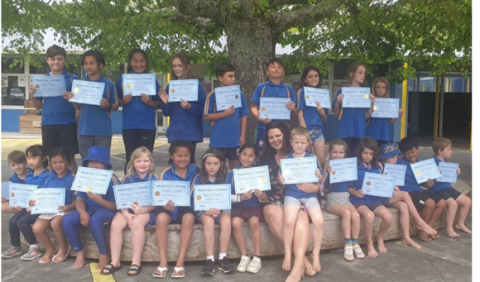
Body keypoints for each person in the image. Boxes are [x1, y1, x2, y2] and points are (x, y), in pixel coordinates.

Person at [258, 121, 317, 282]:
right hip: (275, 200)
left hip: (299, 196)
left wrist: (316, 188)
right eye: (271, 137)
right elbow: (261, 185)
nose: (275, 139)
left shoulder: (299, 151)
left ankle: (297, 266)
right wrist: (260, 194)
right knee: (270, 211)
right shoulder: (264, 157)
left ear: (285, 136)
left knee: (302, 216)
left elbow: (318, 181)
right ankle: (302, 260)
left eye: (278, 135)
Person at [102, 147, 158, 276]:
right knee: (116, 224)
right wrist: (126, 214)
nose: (142, 164)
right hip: (129, 209)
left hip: (147, 210)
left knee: (136, 223)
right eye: (139, 161)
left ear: (151, 162)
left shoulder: (155, 178)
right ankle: (115, 261)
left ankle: (136, 261)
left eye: (146, 161)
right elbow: (122, 199)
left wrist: (143, 209)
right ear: (133, 163)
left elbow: (157, 202)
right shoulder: (128, 178)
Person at [62, 146, 119, 269]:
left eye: (98, 162)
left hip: (107, 209)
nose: (94, 165)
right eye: (91, 162)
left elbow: (116, 205)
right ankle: (79, 251)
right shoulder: (86, 177)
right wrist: (82, 212)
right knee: (67, 220)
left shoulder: (112, 179)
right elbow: (80, 199)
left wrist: (100, 200)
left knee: (95, 221)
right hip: (89, 208)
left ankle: (104, 253)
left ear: (105, 164)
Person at [278, 126, 324, 272]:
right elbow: (282, 179)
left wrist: (318, 175)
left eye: (302, 143)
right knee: (289, 220)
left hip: (309, 195)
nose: (299, 145)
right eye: (296, 142)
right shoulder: (286, 160)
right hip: (292, 194)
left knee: (319, 221)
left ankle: (315, 253)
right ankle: (287, 253)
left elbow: (321, 178)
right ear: (291, 142)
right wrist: (281, 179)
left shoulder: (312, 159)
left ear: (308, 144)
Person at [28, 44, 79, 172]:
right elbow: (37, 106)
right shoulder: (41, 80)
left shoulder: (73, 79)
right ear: (47, 60)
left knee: (70, 157)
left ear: (65, 60)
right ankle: (52, 187)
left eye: (59, 58)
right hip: (48, 123)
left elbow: (80, 106)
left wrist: (73, 98)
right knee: (51, 158)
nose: (56, 62)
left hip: (68, 123)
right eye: (53, 59)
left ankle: (74, 188)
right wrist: (32, 95)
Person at [378, 143, 438, 249]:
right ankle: (421, 223)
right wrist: (393, 187)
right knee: (405, 195)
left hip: (392, 196)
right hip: (382, 197)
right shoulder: (379, 167)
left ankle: (406, 237)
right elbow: (378, 185)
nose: (395, 159)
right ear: (383, 158)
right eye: (392, 157)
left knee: (404, 206)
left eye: (396, 156)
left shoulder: (397, 167)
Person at [154, 140, 199, 278]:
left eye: (186, 155)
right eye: (179, 155)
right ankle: (163, 262)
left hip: (188, 206)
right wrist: (163, 204)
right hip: (169, 206)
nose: (183, 159)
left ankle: (180, 263)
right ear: (172, 156)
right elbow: (160, 196)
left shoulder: (197, 171)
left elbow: (199, 194)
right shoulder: (165, 174)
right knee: (161, 218)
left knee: (189, 218)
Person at [64, 50, 118, 160]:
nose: (88, 66)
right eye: (85, 63)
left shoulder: (109, 84)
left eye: (91, 63)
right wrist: (73, 99)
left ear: (100, 65)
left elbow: (115, 106)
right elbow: (80, 108)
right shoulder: (80, 85)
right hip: (84, 130)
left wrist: (107, 105)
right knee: (86, 163)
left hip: (103, 132)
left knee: (102, 162)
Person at [115, 49, 162, 173]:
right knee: (131, 158)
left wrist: (150, 102)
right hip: (129, 126)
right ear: (130, 63)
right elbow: (116, 102)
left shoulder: (152, 81)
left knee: (146, 159)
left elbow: (159, 103)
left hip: (147, 126)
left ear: (146, 63)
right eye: (135, 61)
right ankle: (128, 187)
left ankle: (147, 187)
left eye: (142, 61)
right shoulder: (123, 80)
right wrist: (123, 101)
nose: (139, 64)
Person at [158, 54, 206, 164]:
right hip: (175, 132)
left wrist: (190, 107)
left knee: (189, 165)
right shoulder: (171, 86)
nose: (176, 69)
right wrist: (165, 103)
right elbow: (167, 113)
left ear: (188, 66)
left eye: (179, 65)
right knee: (174, 165)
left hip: (190, 132)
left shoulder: (196, 85)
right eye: (174, 66)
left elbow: (203, 111)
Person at [348, 137, 392, 258]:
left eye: (371, 154)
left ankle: (380, 237)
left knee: (388, 217)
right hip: (358, 200)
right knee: (369, 216)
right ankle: (369, 243)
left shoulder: (378, 167)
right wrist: (355, 192)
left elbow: (383, 183)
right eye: (365, 153)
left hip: (374, 200)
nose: (368, 156)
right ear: (360, 153)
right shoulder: (355, 167)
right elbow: (349, 188)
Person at [193, 149, 235, 276]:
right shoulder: (198, 178)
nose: (212, 167)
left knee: (227, 220)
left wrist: (220, 208)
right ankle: (210, 259)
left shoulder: (226, 177)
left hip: (222, 209)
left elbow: (229, 196)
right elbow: (193, 199)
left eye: (215, 163)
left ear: (221, 163)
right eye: (208, 163)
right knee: (208, 221)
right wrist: (205, 209)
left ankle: (223, 257)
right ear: (203, 164)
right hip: (204, 210)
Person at [322, 139, 364, 261]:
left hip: (345, 198)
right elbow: (321, 186)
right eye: (335, 152)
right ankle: (347, 243)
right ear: (330, 152)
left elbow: (350, 188)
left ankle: (355, 242)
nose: (338, 155)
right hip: (332, 199)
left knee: (355, 215)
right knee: (346, 213)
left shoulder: (347, 168)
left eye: (341, 153)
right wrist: (326, 173)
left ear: (345, 154)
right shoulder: (328, 167)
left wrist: (355, 192)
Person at [398, 137, 446, 242]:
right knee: (430, 203)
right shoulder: (399, 163)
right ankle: (422, 230)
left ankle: (429, 227)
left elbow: (424, 183)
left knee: (442, 202)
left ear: (418, 149)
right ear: (402, 154)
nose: (410, 155)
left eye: (412, 152)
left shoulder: (421, 164)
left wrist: (429, 183)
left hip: (419, 190)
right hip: (408, 192)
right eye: (406, 153)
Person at [32, 147, 75, 263]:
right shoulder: (48, 178)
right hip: (49, 208)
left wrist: (70, 206)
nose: (58, 165)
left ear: (68, 162)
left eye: (61, 161)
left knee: (55, 223)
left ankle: (64, 247)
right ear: (50, 163)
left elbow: (80, 199)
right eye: (54, 162)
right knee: (36, 228)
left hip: (65, 209)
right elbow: (41, 194)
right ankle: (50, 248)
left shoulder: (73, 179)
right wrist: (34, 202)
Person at [204, 62, 248, 169]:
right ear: (220, 78)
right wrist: (224, 114)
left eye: (234, 76)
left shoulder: (239, 94)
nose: (233, 79)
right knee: (218, 170)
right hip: (218, 141)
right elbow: (205, 116)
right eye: (229, 76)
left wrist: (242, 135)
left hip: (234, 140)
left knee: (236, 169)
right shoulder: (213, 95)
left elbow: (243, 115)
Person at [227, 144, 264, 273]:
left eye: (251, 156)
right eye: (244, 154)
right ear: (239, 154)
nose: (247, 158)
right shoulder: (232, 173)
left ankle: (257, 257)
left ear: (255, 158)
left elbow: (265, 196)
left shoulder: (259, 173)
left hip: (254, 206)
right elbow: (226, 195)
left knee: (254, 222)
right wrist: (240, 198)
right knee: (235, 223)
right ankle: (244, 255)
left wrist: (261, 195)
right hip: (239, 205)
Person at [250, 59, 297, 150]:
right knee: (261, 153)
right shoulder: (261, 87)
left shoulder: (288, 89)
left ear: (283, 72)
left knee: (283, 153)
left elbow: (294, 113)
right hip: (263, 127)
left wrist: (293, 108)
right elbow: (253, 107)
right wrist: (259, 117)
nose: (276, 69)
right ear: (267, 72)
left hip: (282, 129)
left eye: (279, 67)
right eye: (273, 67)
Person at [430, 137, 471, 237]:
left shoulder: (447, 163)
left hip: (447, 188)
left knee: (467, 201)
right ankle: (449, 229)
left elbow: (448, 177)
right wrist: (435, 172)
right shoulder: (432, 162)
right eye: (448, 149)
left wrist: (456, 173)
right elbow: (427, 179)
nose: (451, 152)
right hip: (437, 190)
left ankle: (460, 224)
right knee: (453, 204)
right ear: (440, 151)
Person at [332, 63, 375, 157]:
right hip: (345, 131)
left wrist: (372, 104)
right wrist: (337, 102)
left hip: (359, 131)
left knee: (356, 159)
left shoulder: (365, 93)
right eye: (360, 72)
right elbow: (336, 114)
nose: (363, 75)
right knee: (344, 158)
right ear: (351, 74)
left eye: (364, 73)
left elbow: (366, 116)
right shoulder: (342, 91)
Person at [1, 150, 32, 258]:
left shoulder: (33, 174)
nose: (17, 167)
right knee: (12, 220)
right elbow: (13, 195)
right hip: (22, 206)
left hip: (33, 206)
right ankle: (15, 246)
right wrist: (6, 200)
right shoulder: (13, 179)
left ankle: (33, 246)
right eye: (13, 165)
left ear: (26, 162)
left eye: (19, 163)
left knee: (20, 221)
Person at [297, 65, 327, 168]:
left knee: (321, 161)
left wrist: (322, 112)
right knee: (305, 159)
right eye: (310, 76)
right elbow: (300, 114)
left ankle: (320, 182)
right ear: (304, 79)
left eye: (316, 76)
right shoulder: (302, 92)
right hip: (307, 130)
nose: (314, 79)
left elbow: (324, 119)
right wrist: (305, 134)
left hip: (319, 130)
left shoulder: (323, 94)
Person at [365, 77, 404, 147]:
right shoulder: (369, 101)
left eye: (383, 88)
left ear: (386, 90)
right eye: (378, 87)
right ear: (374, 88)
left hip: (384, 135)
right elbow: (365, 117)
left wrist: (397, 116)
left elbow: (389, 122)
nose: (381, 90)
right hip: (371, 133)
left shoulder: (389, 104)